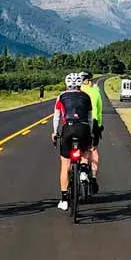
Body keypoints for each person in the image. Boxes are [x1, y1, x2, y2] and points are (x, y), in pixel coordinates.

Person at [50, 72, 94, 211]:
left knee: (65, 164)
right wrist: (91, 132)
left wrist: (55, 132)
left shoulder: (61, 96)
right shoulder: (86, 97)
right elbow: (90, 118)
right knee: (85, 152)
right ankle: (84, 171)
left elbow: (56, 117)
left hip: (68, 128)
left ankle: (64, 200)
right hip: (83, 127)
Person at [80, 71, 103, 193]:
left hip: (78, 123)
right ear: (89, 80)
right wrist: (99, 125)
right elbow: (99, 109)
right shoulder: (95, 91)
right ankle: (93, 177)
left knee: (81, 149)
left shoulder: (77, 90)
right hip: (92, 122)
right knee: (93, 149)